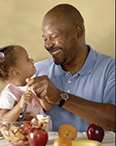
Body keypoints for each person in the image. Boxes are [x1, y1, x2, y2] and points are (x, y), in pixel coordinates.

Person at [26, 4, 115, 132]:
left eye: (54, 37)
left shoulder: (111, 69)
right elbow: (2, 129)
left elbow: (113, 122)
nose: (48, 45)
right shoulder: (36, 72)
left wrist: (60, 97)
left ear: (78, 32)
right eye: (45, 39)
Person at [0, 45, 52, 137]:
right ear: (16, 73)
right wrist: (20, 105)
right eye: (27, 59)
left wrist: (41, 96)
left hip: (40, 137)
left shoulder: (34, 83)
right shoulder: (9, 94)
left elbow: (48, 107)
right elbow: (4, 123)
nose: (32, 60)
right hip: (20, 139)